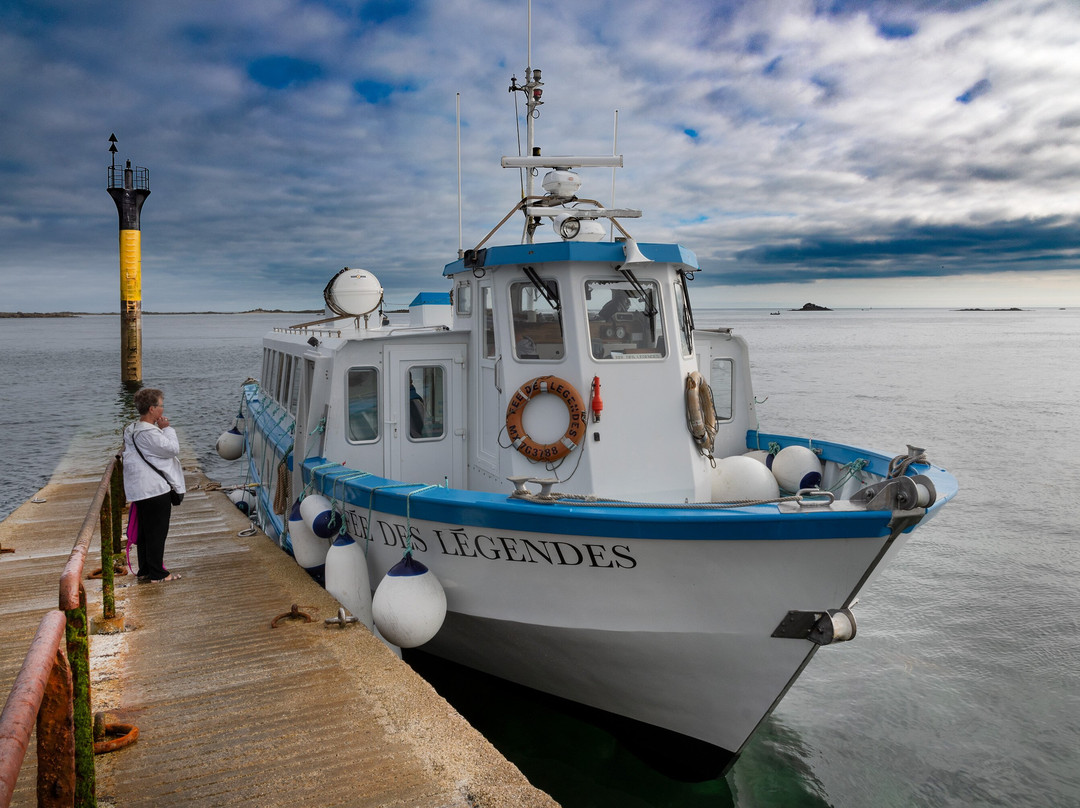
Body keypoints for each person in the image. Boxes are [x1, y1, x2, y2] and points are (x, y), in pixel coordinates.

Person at [123, 388, 186, 582]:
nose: (163, 408)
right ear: (152, 409)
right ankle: (159, 574)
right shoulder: (149, 433)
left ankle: (146, 570)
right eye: (160, 405)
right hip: (154, 489)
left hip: (140, 489)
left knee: (144, 532)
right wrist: (167, 428)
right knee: (157, 532)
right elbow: (172, 449)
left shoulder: (131, 429)